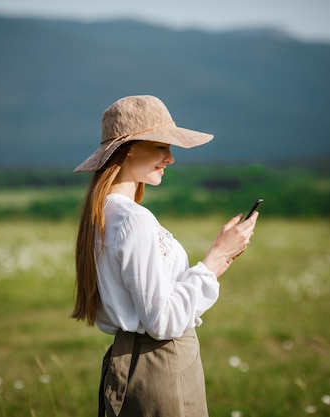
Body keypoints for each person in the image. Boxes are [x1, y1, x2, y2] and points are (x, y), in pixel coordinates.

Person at [71, 95, 259, 417]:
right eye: (161, 146)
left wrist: (217, 262)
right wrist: (214, 259)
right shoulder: (133, 219)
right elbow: (163, 321)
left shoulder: (103, 214)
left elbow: (150, 303)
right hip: (162, 363)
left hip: (130, 361)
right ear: (129, 148)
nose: (170, 158)